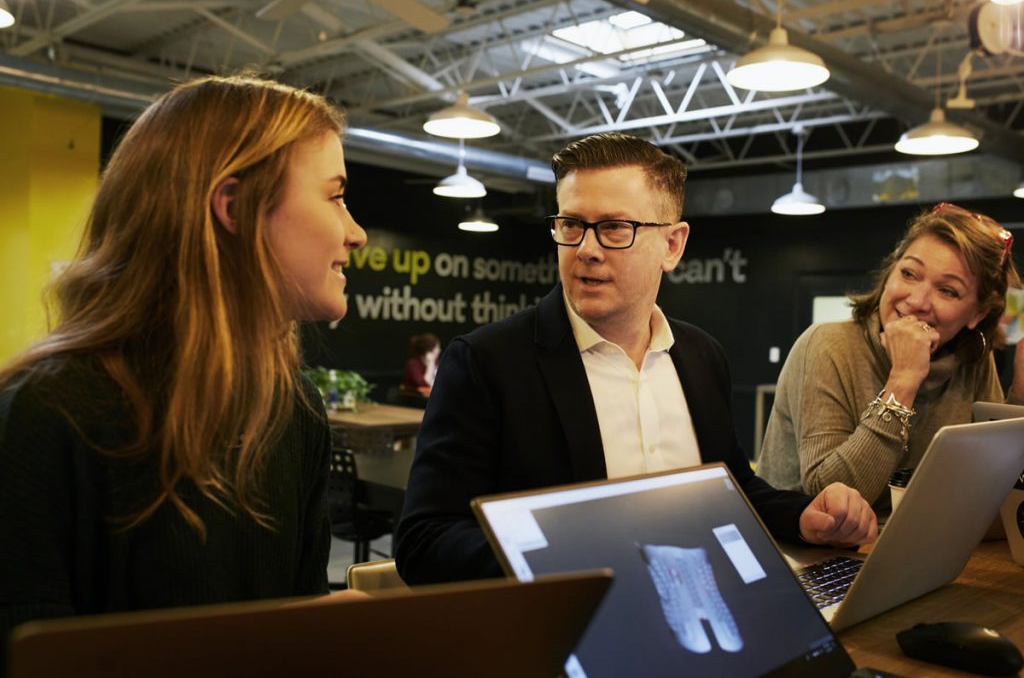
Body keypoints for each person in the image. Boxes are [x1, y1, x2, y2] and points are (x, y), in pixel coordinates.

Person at [395, 132, 877, 585]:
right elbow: (425, 541)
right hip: (566, 637)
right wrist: (577, 555)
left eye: (613, 228)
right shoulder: (486, 363)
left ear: (672, 244)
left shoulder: (702, 357)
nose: (585, 249)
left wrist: (801, 516)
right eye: (571, 225)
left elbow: (733, 489)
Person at [0, 75, 368, 653]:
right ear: (235, 207)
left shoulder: (294, 410)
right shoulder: (47, 413)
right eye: (335, 196)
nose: (356, 232)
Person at [756, 203, 1023, 510]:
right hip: (804, 550)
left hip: (912, 542)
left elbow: (990, 488)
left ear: (978, 313)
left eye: (948, 291)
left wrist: (1020, 397)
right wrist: (903, 380)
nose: (917, 301)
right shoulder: (828, 345)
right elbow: (829, 497)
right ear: (890, 271)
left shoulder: (972, 357)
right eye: (909, 273)